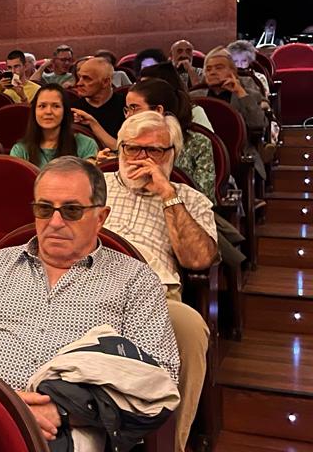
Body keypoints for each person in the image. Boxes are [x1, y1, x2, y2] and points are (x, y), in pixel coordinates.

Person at [0, 156, 180, 443]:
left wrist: (64, 409)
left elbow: (159, 376)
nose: (55, 222)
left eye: (71, 210)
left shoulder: (134, 279)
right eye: (44, 209)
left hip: (73, 431)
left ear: (101, 217)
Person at [103, 112, 216, 451]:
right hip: (89, 283)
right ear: (120, 149)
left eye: (155, 151)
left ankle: (170, 444)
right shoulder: (96, 185)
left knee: (191, 327)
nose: (142, 160)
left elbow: (198, 260)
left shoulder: (189, 198)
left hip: (156, 297)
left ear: (172, 154)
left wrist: (168, 194)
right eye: (133, 150)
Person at [123, 79, 216, 202]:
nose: (129, 116)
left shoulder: (198, 143)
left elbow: (205, 195)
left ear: (158, 110)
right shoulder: (128, 142)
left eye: (134, 108)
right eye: (127, 109)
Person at [191, 47, 268, 180]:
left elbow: (259, 125)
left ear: (233, 71)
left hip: (240, 157)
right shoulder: (193, 97)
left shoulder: (248, 95)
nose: (213, 72)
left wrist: (240, 92)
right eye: (208, 69)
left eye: (219, 68)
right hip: (200, 157)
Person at [11, 84, 98, 166]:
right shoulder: (20, 150)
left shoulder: (86, 144)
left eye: (56, 106)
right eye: (42, 106)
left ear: (65, 111)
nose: (48, 111)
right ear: (34, 111)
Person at [139, 62, 214, 131]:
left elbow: (207, 142)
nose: (140, 91)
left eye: (146, 87)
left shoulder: (194, 112)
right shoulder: (141, 112)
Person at [71, 56, 126, 141]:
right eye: (79, 77)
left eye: (87, 78)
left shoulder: (126, 107)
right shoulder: (72, 109)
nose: (79, 83)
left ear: (105, 82)